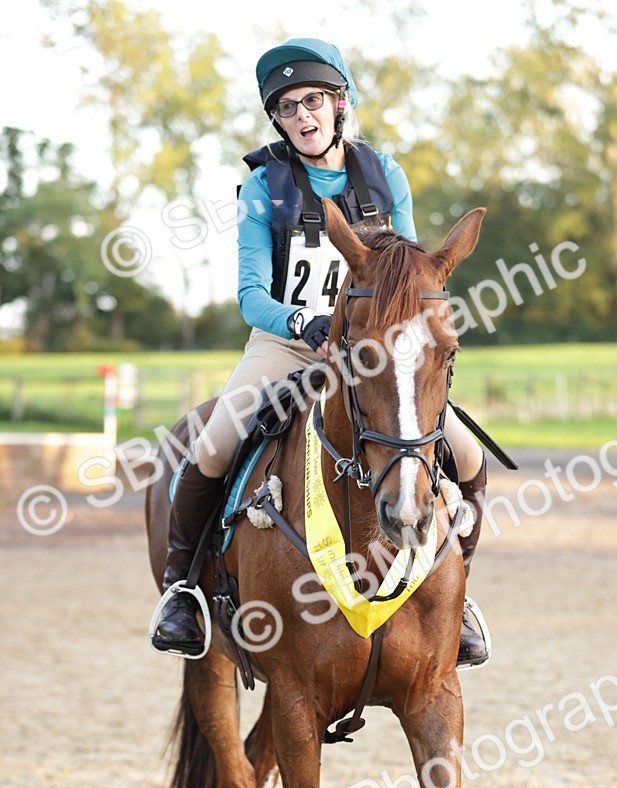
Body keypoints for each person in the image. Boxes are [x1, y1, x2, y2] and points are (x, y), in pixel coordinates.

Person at [151, 37, 489, 666]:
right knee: (215, 442)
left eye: (312, 100)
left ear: (339, 104)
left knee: (466, 452)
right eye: (287, 107)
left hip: (372, 350)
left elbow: (410, 271)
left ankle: (458, 597)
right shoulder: (263, 186)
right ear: (277, 120)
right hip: (288, 343)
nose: (302, 115)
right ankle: (182, 591)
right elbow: (251, 295)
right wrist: (302, 321)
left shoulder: (385, 173)